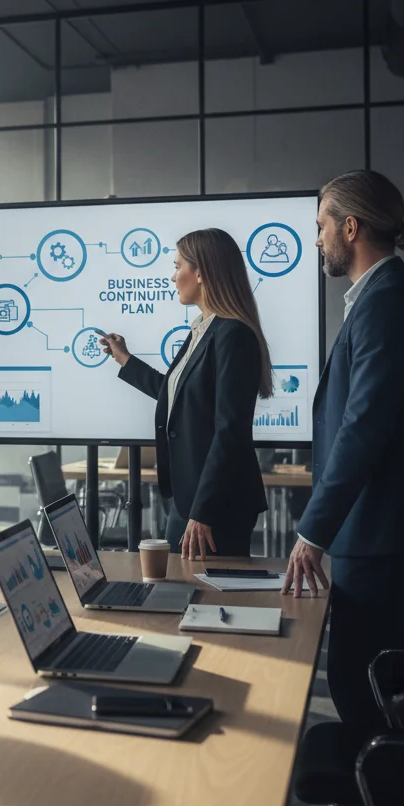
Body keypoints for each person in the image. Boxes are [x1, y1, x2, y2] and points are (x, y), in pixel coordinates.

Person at [283, 170, 404, 729]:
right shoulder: (383, 296)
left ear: (349, 227)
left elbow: (364, 429)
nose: (316, 239)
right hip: (382, 524)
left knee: (364, 679)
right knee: (386, 673)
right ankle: (402, 783)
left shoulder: (386, 301)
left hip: (380, 526)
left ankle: (382, 785)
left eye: (321, 226)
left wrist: (312, 530)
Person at [100, 228, 271, 559]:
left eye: (178, 266)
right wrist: (124, 359)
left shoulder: (231, 334)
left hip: (214, 506)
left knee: (204, 602)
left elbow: (230, 431)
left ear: (201, 272)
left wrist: (203, 510)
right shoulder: (204, 329)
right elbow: (178, 397)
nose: (173, 276)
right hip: (190, 499)